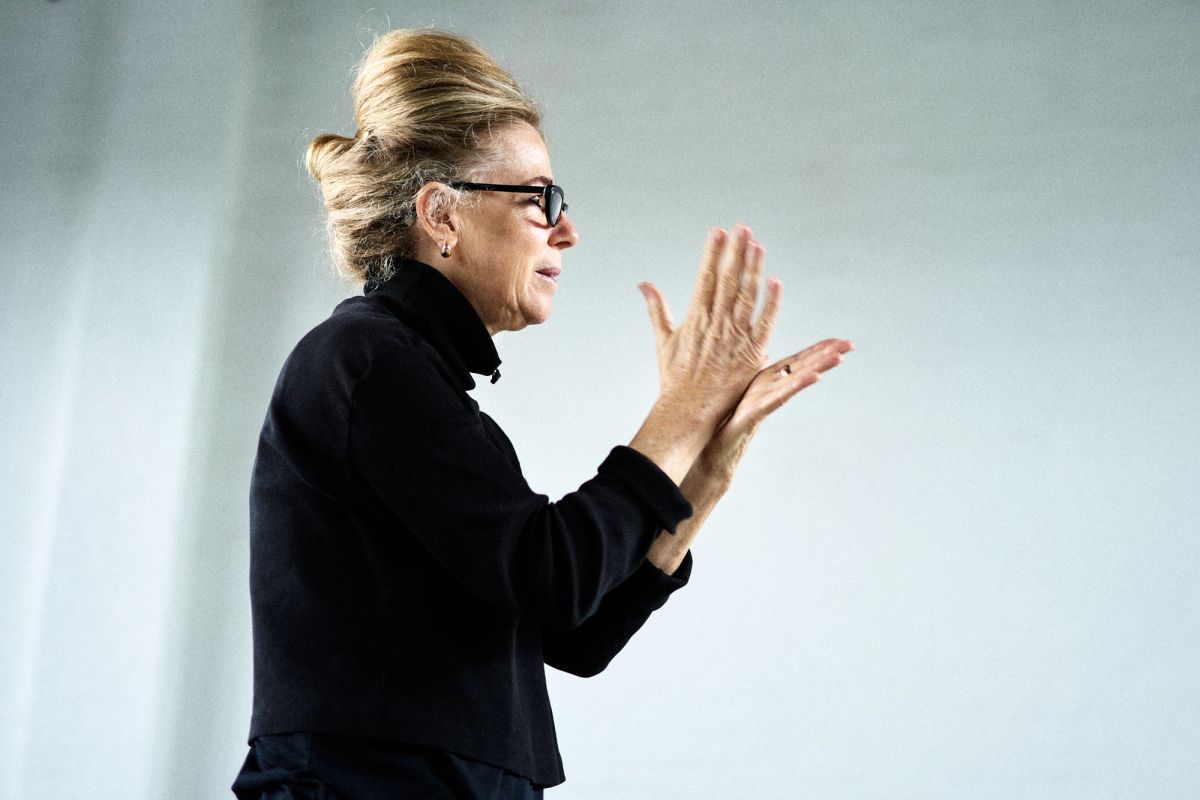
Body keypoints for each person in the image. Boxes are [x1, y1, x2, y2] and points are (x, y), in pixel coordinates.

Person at [232, 27, 852, 800]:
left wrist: (707, 465)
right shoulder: (362, 360)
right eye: (539, 198)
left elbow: (576, 633)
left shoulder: (424, 390)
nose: (567, 229)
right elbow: (551, 575)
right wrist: (679, 410)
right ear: (441, 215)